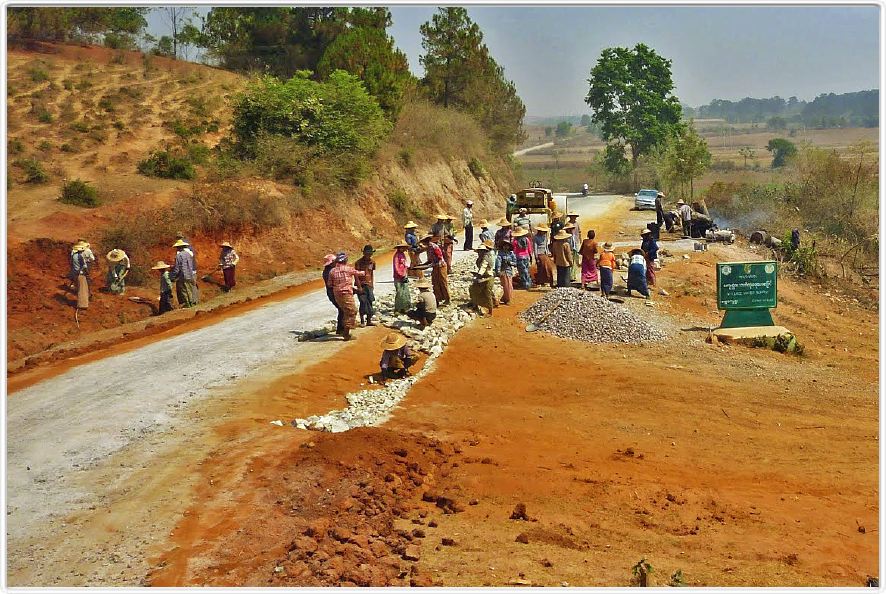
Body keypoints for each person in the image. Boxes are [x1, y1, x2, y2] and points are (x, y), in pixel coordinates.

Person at [326, 252, 366, 340]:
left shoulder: (332, 271)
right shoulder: (348, 269)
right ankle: (346, 333)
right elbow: (360, 273)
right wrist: (365, 271)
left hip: (337, 295)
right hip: (346, 293)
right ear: (345, 260)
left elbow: (329, 284)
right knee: (352, 311)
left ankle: (344, 328)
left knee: (345, 311)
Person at [469, 242, 496, 316]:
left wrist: (478, 275)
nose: (479, 253)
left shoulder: (486, 258)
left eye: (481, 251)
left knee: (487, 293)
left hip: (488, 277)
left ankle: (490, 311)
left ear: (484, 252)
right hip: (483, 277)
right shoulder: (479, 259)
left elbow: (483, 267)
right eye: (479, 251)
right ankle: (475, 305)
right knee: (474, 289)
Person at [423, 234, 450, 306]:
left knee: (443, 282)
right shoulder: (428, 249)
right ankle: (438, 298)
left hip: (441, 266)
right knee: (435, 282)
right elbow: (430, 260)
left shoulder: (434, 247)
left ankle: (447, 299)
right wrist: (422, 265)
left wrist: (428, 265)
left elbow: (440, 258)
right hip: (435, 266)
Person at [171, 239, 198, 308]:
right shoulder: (188, 254)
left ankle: (189, 304)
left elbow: (177, 268)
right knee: (190, 289)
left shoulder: (178, 256)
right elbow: (191, 265)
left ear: (178, 247)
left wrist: (173, 276)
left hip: (183, 275)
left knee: (184, 291)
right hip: (190, 274)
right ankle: (193, 303)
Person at [354, 244, 377, 326]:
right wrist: (359, 286)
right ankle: (362, 321)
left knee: (370, 301)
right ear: (364, 253)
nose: (369, 255)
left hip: (369, 285)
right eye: (367, 253)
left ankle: (369, 320)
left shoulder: (372, 262)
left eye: (370, 253)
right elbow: (356, 275)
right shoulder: (358, 263)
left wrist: (372, 284)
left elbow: (371, 273)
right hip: (362, 285)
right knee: (363, 302)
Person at [322, 253, 344, 334]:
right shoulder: (329, 272)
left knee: (342, 309)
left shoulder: (329, 271)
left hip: (333, 292)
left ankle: (341, 328)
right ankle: (341, 329)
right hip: (334, 293)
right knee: (342, 309)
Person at [532, 224, 555, 289]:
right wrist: (536, 257)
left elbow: (545, 246)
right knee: (541, 268)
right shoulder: (535, 237)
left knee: (548, 268)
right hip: (539, 254)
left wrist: (548, 252)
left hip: (545, 254)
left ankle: (547, 281)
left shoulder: (545, 236)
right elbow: (535, 247)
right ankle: (540, 281)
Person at [70, 241, 91, 310]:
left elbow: (72, 265)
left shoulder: (73, 255)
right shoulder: (80, 256)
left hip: (75, 273)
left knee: (79, 288)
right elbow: (84, 266)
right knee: (83, 289)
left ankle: (80, 303)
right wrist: (87, 273)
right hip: (81, 274)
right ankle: (82, 305)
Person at [494, 240, 516, 305]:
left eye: (507, 246)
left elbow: (515, 263)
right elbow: (498, 263)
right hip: (503, 272)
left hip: (509, 271)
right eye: (504, 246)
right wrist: (498, 272)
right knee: (506, 286)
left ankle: (507, 298)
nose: (506, 247)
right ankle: (507, 299)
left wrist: (510, 263)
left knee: (509, 286)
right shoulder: (500, 254)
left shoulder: (511, 254)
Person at [393, 243, 411, 314]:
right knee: (399, 293)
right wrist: (401, 275)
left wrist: (406, 272)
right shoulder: (396, 256)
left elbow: (405, 265)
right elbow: (396, 267)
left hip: (404, 275)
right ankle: (398, 309)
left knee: (405, 292)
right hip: (398, 277)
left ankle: (405, 307)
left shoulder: (403, 255)